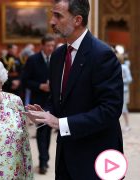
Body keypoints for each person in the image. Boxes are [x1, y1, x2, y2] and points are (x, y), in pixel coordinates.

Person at [23, 0, 123, 179]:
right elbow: (57, 101)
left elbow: (110, 110)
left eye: (58, 16)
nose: (52, 21)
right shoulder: (58, 56)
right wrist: (44, 114)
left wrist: (61, 123)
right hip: (65, 156)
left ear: (77, 20)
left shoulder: (102, 55)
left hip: (97, 156)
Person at [22, 34, 56, 175]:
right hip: (39, 101)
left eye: (52, 46)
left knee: (47, 131)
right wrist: (40, 86)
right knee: (42, 130)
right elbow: (25, 80)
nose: (50, 48)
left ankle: (44, 159)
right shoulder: (33, 60)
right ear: (42, 45)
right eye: (48, 45)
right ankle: (43, 162)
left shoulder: (57, 58)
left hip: (53, 101)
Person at [116, 50, 132, 131]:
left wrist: (121, 80)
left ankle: (127, 125)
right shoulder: (114, 66)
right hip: (116, 90)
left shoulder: (124, 67)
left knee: (124, 108)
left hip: (124, 91)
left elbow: (129, 79)